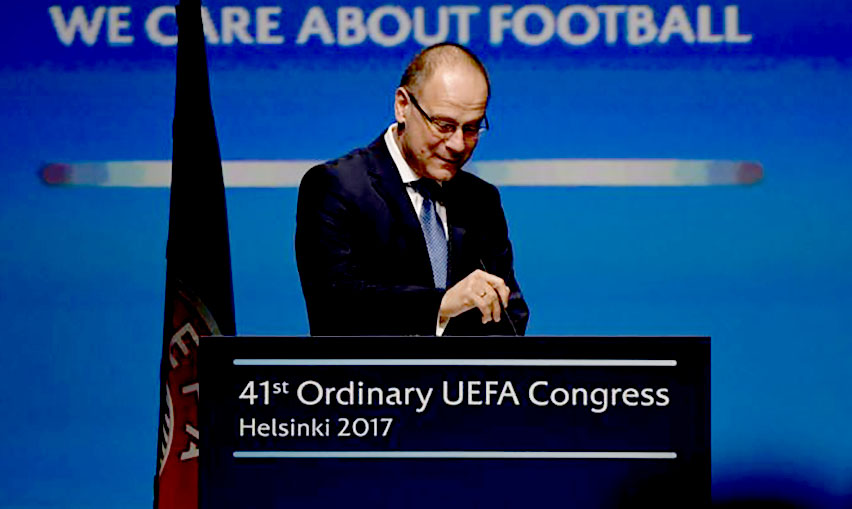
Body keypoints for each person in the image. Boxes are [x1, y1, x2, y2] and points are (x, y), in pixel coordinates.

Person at [295, 43, 529, 336]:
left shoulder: (480, 200)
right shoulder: (337, 187)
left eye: (470, 128)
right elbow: (335, 306)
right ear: (403, 106)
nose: (458, 144)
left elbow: (509, 316)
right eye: (444, 125)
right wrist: (440, 306)